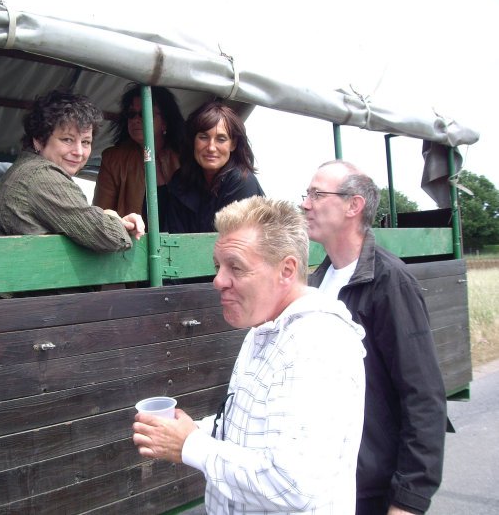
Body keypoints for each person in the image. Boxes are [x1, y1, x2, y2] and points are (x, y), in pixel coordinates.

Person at [133, 196, 367, 514]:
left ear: (286, 270)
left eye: (236, 267)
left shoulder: (317, 345)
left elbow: (293, 484)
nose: (218, 281)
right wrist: (190, 431)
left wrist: (190, 445)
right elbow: (250, 429)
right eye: (217, 266)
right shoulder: (263, 330)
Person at [301, 160, 447, 515]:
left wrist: (408, 500)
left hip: (370, 489)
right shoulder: (317, 284)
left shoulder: (390, 281)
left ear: (354, 205)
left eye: (317, 194)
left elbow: (422, 395)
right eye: (306, 194)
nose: (305, 204)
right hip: (328, 483)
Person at [0, 89, 144, 251]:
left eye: (85, 142)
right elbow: (112, 237)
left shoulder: (27, 168)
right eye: (67, 139)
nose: (79, 152)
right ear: (39, 140)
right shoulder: (41, 176)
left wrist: (106, 218)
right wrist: (111, 216)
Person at [162, 101, 263, 233]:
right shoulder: (181, 180)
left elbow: (238, 241)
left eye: (221, 139)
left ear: (233, 144)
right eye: (203, 137)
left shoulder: (242, 182)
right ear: (193, 141)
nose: (211, 148)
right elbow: (173, 237)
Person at [92, 83, 184, 217]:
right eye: (131, 114)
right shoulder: (113, 159)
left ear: (165, 122)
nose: (136, 120)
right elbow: (100, 215)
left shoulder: (185, 156)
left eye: (145, 113)